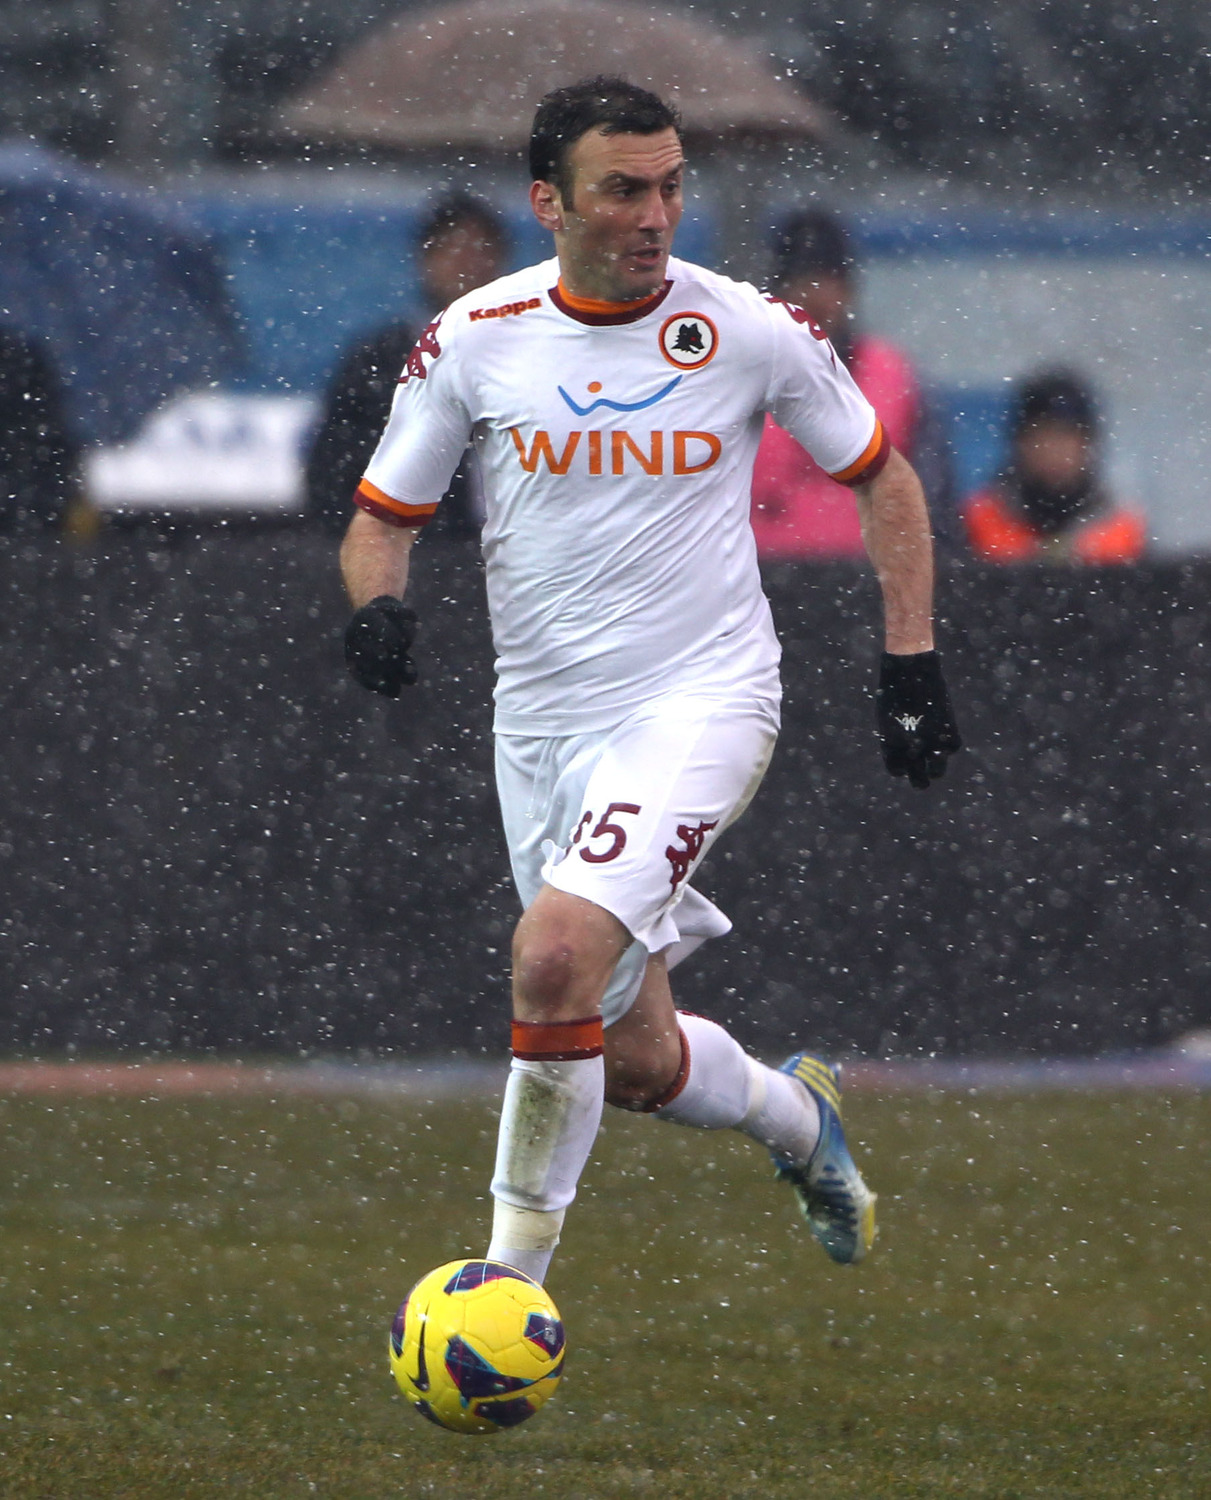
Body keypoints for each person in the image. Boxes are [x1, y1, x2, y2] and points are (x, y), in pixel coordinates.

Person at [337, 77, 962, 1287]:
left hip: (701, 701)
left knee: (550, 957)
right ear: (548, 203)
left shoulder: (747, 328)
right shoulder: (475, 336)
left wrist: (911, 659)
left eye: (670, 187)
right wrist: (377, 612)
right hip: (541, 727)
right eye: (622, 190)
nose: (654, 215)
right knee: (629, 1058)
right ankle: (800, 1121)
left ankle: (505, 1286)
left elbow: (881, 477)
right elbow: (380, 519)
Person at [750, 208, 959, 558]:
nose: (815, 296)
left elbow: (934, 502)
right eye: (801, 281)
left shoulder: (894, 376)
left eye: (828, 281)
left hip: (869, 576)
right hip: (758, 577)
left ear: (848, 291)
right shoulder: (741, 375)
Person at [304, 192, 509, 537]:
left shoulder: (536, 354)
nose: (469, 264)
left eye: (481, 249)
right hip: (423, 551)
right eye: (453, 249)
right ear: (426, 261)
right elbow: (333, 475)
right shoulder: (378, 362)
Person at [961, 369, 1146, 563]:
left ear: (1088, 445)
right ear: (1020, 443)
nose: (1054, 449)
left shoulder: (1121, 525)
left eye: (1066, 436)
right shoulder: (980, 519)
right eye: (1042, 436)